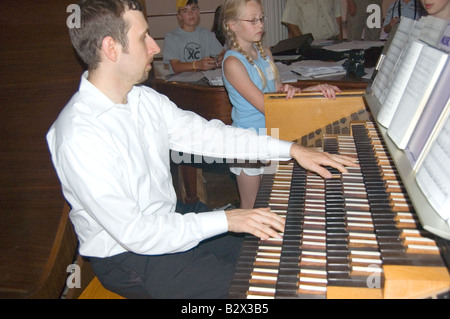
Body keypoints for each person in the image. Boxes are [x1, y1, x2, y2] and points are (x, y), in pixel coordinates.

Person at [47, 0, 357, 299]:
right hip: (129, 257)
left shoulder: (143, 100)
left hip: (171, 221)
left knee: (276, 253)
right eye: (143, 38)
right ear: (110, 48)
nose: (155, 49)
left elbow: (213, 137)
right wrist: (230, 219)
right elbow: (136, 232)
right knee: (263, 286)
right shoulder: (79, 134)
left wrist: (291, 150)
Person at [221, 0, 342, 209]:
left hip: (273, 134)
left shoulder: (265, 52)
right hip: (248, 142)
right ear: (232, 25)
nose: (260, 25)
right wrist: (305, 94)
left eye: (261, 19)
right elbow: (268, 107)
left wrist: (301, 91)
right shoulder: (233, 63)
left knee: (272, 199)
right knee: (251, 207)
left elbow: (277, 92)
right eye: (252, 20)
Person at [163, 0, 225, 74]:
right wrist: (197, 65)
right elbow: (176, 66)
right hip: (180, 82)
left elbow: (222, 52)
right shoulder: (171, 37)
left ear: (198, 11)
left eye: (193, 9)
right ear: (179, 16)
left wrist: (222, 58)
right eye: (185, 11)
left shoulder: (206, 33)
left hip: (204, 81)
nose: (191, 13)